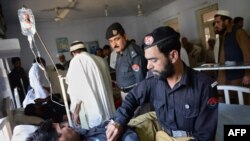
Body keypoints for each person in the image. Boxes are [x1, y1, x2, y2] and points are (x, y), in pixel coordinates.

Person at [105, 26, 218, 141]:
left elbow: (205, 136)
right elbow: (132, 97)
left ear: (173, 56)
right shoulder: (154, 80)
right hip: (162, 134)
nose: (148, 66)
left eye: (153, 60)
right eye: (147, 60)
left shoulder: (204, 86)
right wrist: (117, 121)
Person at [66, 41, 116, 129]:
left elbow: (75, 91)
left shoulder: (76, 61)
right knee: (112, 129)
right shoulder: (100, 59)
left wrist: (75, 111)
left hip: (95, 108)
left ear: (73, 53)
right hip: (109, 107)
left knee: (99, 133)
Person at [105, 22, 147, 101]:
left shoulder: (133, 53)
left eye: (117, 39)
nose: (114, 44)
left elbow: (141, 80)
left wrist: (140, 99)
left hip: (134, 94)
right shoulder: (120, 52)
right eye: (111, 41)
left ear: (125, 37)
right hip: (126, 93)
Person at [214, 10, 250, 86]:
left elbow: (248, 54)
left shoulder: (239, 32)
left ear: (226, 21)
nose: (216, 25)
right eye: (215, 23)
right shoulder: (223, 36)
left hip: (239, 78)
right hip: (226, 78)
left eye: (218, 22)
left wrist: (247, 74)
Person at [26, 119, 140, 141]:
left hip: (138, 123)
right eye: (62, 127)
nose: (67, 125)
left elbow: (107, 123)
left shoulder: (85, 134)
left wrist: (115, 123)